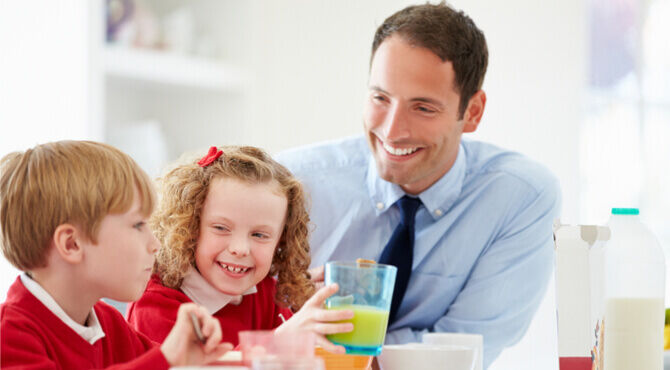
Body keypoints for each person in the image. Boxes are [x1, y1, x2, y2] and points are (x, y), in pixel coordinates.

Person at [276, 2, 561, 367]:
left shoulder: (520, 197)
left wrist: (329, 342)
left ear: (472, 112)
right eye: (380, 98)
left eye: (423, 108)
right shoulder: (292, 182)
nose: (392, 131)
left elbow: (462, 351)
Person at [0, 141, 232, 369]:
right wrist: (166, 358)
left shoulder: (107, 322)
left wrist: (193, 356)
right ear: (71, 244)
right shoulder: (10, 336)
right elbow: (160, 363)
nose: (155, 244)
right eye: (138, 225)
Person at [127, 145, 354, 353]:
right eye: (221, 228)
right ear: (189, 227)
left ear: (282, 241)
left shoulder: (266, 295)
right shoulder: (155, 304)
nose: (240, 249)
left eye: (259, 235)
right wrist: (278, 341)